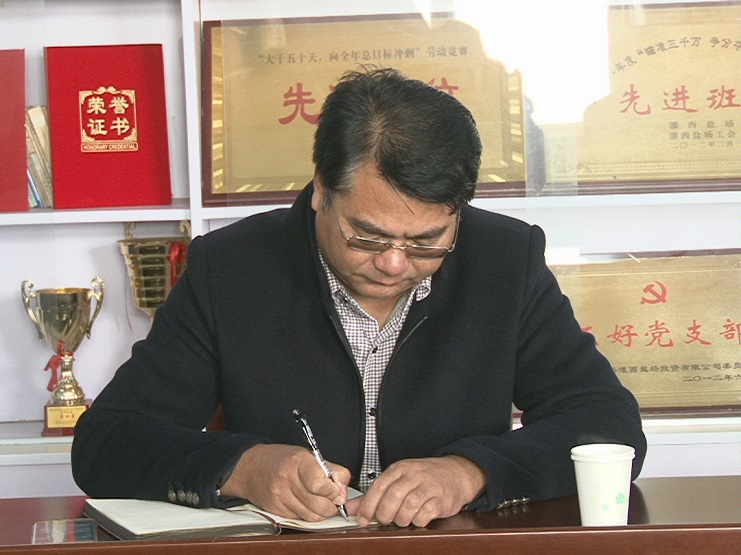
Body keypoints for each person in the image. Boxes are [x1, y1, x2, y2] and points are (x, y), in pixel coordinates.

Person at [72, 66, 646, 528]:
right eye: (367, 237)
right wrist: (244, 467)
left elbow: (607, 423)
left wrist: (469, 471)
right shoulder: (232, 268)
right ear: (322, 190)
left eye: (427, 241)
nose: (394, 263)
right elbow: (106, 442)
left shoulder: (504, 260)